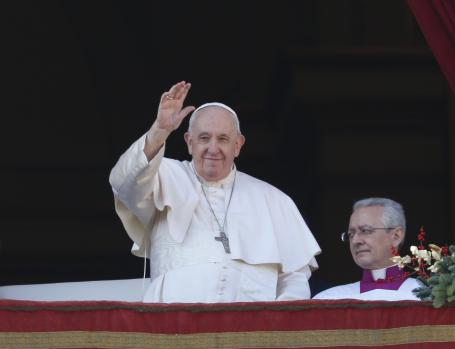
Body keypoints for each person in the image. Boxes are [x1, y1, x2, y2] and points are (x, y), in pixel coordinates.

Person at [109, 81, 321, 303]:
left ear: (238, 145)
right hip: (175, 329)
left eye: (223, 139)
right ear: (189, 143)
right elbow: (123, 183)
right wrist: (159, 131)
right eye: (203, 138)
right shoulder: (162, 175)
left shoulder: (274, 200)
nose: (213, 148)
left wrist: (274, 328)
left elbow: (294, 279)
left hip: (250, 332)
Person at [313, 198, 420, 301]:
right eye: (351, 234)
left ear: (396, 236)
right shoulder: (329, 299)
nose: (355, 241)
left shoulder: (428, 296)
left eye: (365, 231)